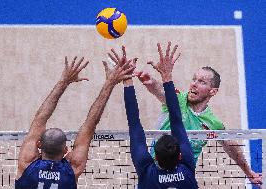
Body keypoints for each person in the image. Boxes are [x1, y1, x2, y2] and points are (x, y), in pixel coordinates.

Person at [136, 48, 262, 188]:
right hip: (155, 176)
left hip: (181, 179)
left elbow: (231, 147)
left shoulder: (212, 123)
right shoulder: (177, 100)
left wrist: (249, 172)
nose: (194, 84)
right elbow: (161, 90)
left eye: (201, 82)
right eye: (194, 79)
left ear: (212, 91)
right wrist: (151, 81)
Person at [15, 52, 135, 189]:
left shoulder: (26, 163)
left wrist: (63, 82)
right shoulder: (72, 169)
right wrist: (110, 83)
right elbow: (90, 125)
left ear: (39, 144)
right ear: (66, 150)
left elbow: (39, 118)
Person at [122, 42, 198, 189]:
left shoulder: (148, 174)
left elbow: (134, 125)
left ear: (155, 157)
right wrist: (166, 76)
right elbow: (176, 120)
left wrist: (127, 79)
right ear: (180, 156)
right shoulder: (187, 170)